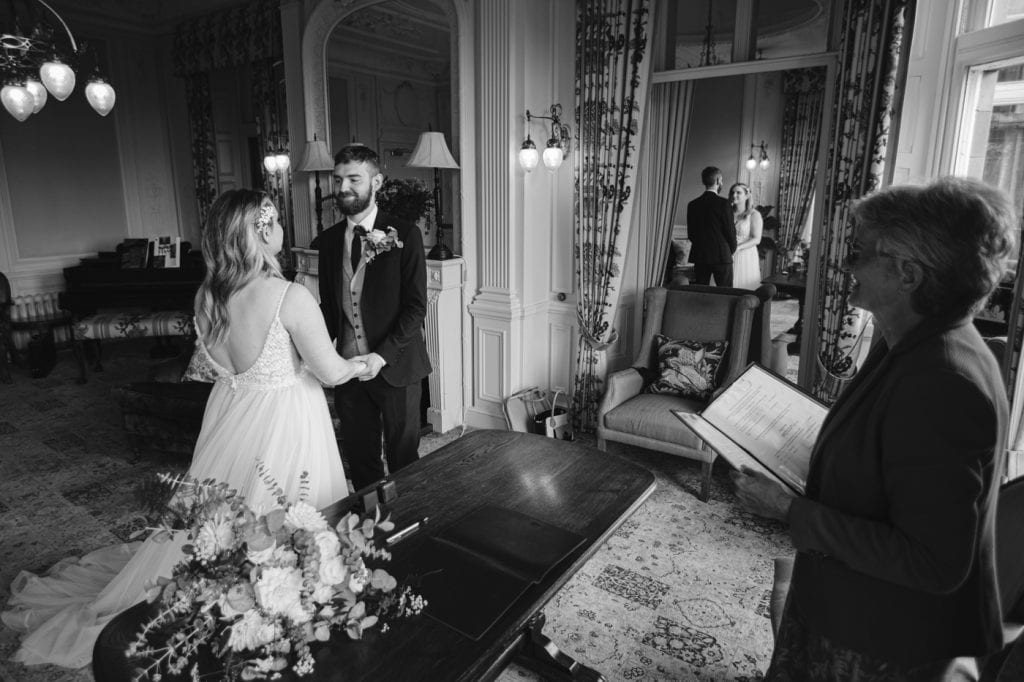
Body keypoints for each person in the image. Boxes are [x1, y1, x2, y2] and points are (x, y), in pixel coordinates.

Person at [1, 190, 366, 669]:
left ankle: (244, 588)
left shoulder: (207, 296)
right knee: (289, 506)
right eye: (274, 221)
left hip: (233, 415)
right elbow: (332, 372)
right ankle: (281, 595)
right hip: (286, 418)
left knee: (226, 511)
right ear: (260, 230)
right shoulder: (289, 296)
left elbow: (217, 367)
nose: (281, 231)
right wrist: (367, 362)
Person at [732, 177, 1016, 680]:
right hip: (849, 606)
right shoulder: (908, 339)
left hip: (879, 637)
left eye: (859, 253)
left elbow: (934, 562)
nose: (846, 266)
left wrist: (787, 508)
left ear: (907, 274)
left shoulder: (943, 379)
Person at [318, 144, 431, 492]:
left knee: (402, 455)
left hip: (396, 366)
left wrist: (381, 356)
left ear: (377, 181)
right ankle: (368, 529)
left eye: (354, 179)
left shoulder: (405, 234)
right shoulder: (327, 241)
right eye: (338, 180)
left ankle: (409, 521)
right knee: (360, 455)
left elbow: (416, 307)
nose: (343, 188)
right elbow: (328, 307)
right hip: (347, 368)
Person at [686, 166, 737, 287]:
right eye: (722, 180)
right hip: (722, 256)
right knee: (726, 294)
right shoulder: (724, 204)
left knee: (701, 294)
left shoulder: (692, 205)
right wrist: (730, 251)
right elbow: (730, 232)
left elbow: (691, 234)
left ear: (704, 181)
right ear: (718, 180)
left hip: (700, 256)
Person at [728, 182, 763, 290]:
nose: (734, 195)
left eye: (738, 192)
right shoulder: (726, 212)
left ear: (747, 196)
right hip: (727, 253)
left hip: (745, 254)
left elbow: (756, 239)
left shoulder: (754, 214)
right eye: (732, 192)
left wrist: (738, 248)